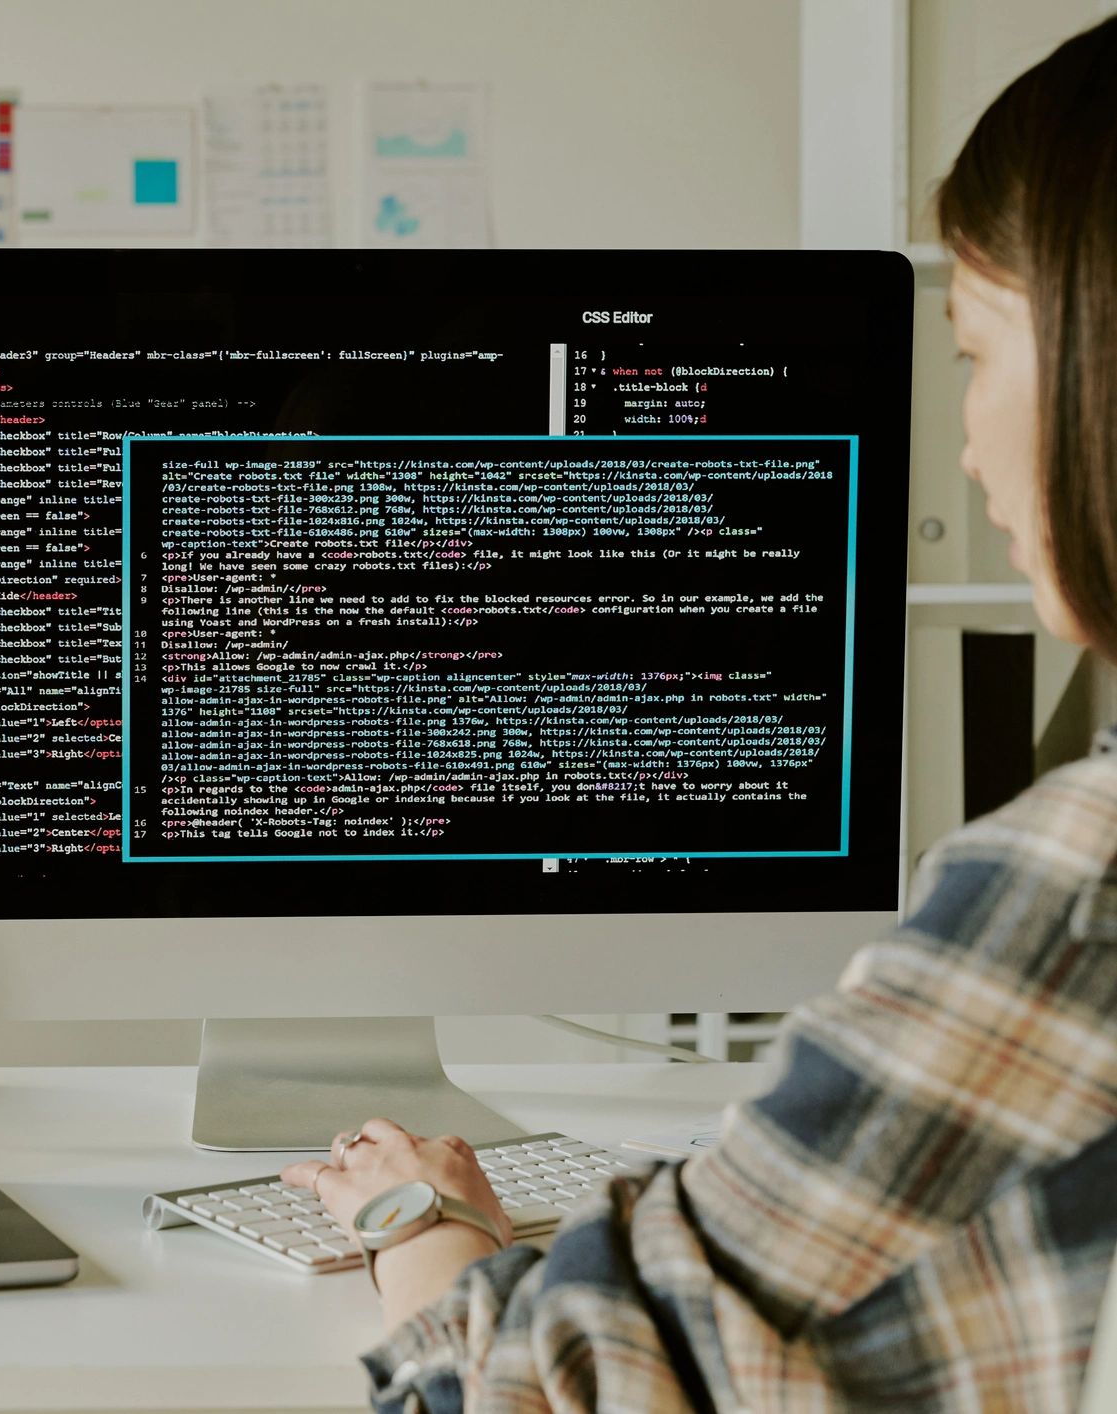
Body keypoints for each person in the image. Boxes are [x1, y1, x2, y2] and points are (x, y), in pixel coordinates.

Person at [283, 17, 1117, 1411]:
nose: (963, 443)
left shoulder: (1075, 893)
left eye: (971, 350)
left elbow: (517, 1400)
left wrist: (416, 1229)